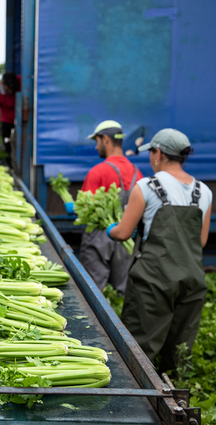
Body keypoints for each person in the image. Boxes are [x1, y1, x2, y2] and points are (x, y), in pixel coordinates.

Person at [108, 128, 212, 374]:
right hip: (191, 282)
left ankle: (136, 403)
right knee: (178, 351)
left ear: (159, 154)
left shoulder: (146, 186)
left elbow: (123, 233)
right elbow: (201, 241)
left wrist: (110, 230)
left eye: (151, 153)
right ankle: (173, 398)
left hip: (152, 281)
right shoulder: (204, 191)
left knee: (138, 349)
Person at [70, 120, 142, 295]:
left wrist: (74, 208)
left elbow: (83, 209)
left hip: (98, 240)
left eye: (97, 141)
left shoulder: (98, 171)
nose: (96, 147)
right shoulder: (136, 173)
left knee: (93, 294)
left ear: (106, 139)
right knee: (125, 293)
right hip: (126, 240)